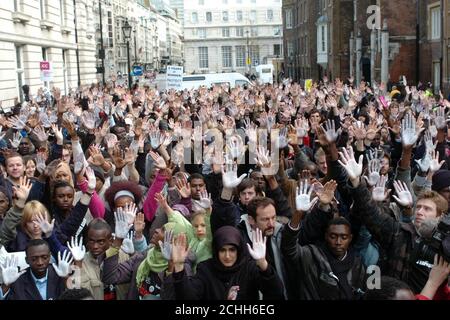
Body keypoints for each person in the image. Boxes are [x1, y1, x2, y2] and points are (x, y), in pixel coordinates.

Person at [172, 226, 284, 300]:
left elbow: (276, 293)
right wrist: (179, 266)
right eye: (222, 250)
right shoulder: (206, 269)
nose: (227, 256)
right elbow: (188, 297)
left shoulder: (249, 267)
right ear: (216, 251)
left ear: (239, 250)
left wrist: (263, 264)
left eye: (232, 250)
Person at [0, 239, 69, 300]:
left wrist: (66, 279)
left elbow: (75, 295)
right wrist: (6, 286)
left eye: (44, 257)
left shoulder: (60, 274)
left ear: (50, 257)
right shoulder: (16, 280)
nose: (40, 263)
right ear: (27, 260)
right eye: (34, 259)